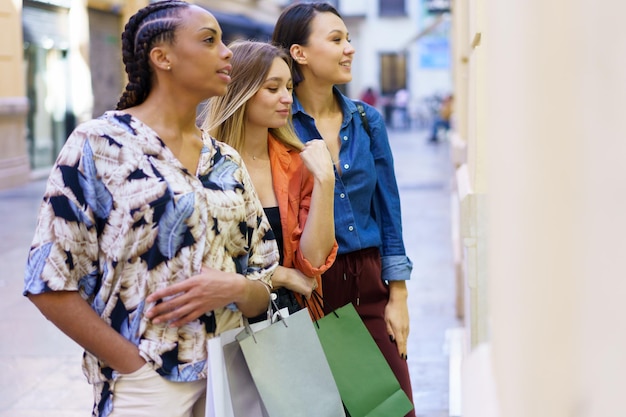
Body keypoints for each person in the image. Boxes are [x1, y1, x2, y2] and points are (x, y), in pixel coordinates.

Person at [22, 2, 279, 416]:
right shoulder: (99, 145)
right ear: (163, 58)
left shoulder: (226, 160)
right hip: (147, 384)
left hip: (232, 376)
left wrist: (236, 289)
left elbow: (264, 274)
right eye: (209, 41)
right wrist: (133, 367)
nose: (227, 52)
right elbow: (47, 281)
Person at [272, 3, 415, 415]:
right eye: (336, 40)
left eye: (348, 39)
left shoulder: (367, 121)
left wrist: (399, 294)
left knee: (391, 408)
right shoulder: (278, 127)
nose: (349, 48)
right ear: (299, 53)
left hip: (370, 283)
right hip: (310, 290)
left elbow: (389, 209)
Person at [200, 40, 337, 318]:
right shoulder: (201, 163)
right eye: (273, 88)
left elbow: (313, 263)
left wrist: (326, 181)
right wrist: (280, 275)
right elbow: (203, 263)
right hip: (220, 320)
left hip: (287, 321)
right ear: (240, 91)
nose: (287, 98)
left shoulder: (299, 163)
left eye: (288, 88)